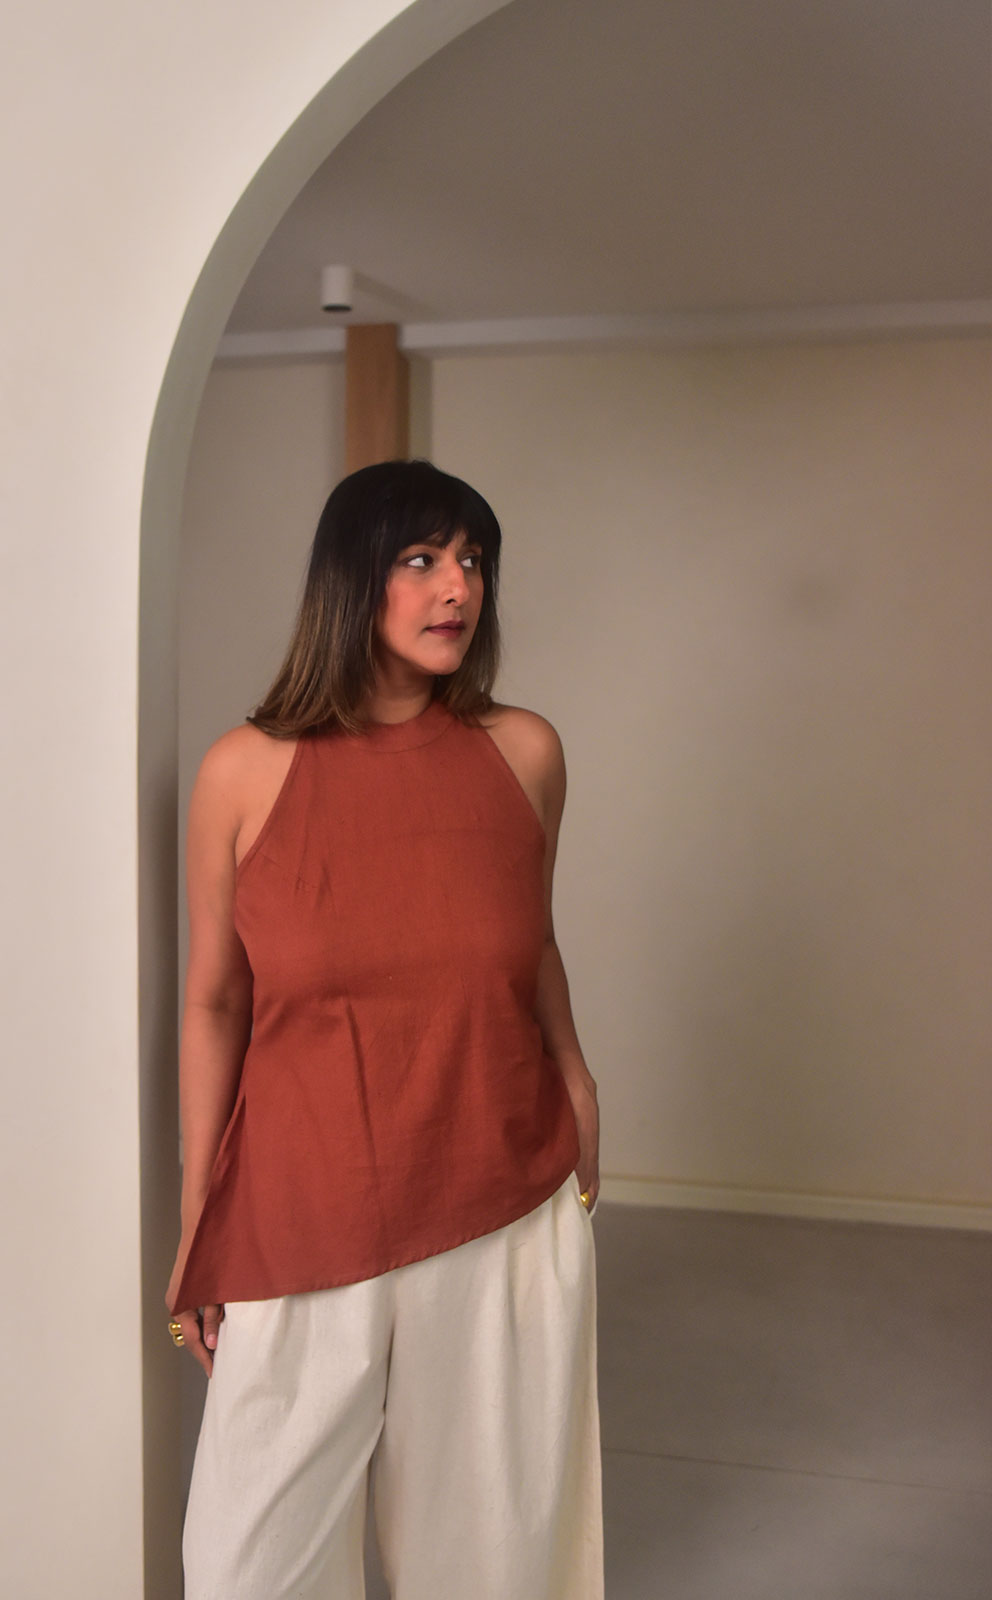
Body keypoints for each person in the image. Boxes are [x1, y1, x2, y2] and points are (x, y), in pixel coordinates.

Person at [165, 458, 603, 1599]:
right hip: (300, 1206)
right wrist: (200, 1212)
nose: (458, 586)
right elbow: (214, 999)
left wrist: (578, 1082)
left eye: (472, 561)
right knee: (248, 1566)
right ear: (350, 579)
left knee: (493, 1556)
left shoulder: (525, 753)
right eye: (421, 559)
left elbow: (528, 941)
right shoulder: (243, 772)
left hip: (499, 1197)